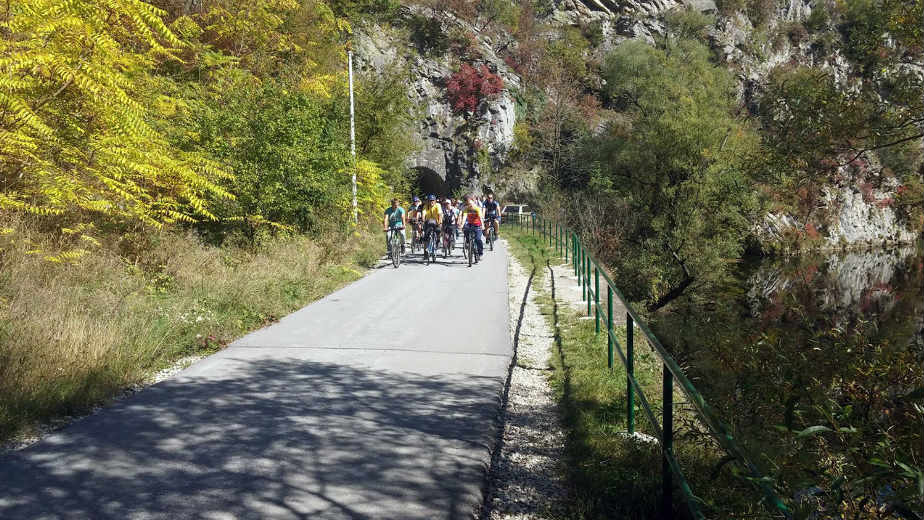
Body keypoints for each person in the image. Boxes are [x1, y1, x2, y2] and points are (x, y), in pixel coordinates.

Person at [457, 195, 484, 260]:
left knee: (478, 239)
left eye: (470, 203)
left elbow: (480, 217)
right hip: (470, 224)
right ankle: (468, 242)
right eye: (468, 204)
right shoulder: (466, 209)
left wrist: (482, 225)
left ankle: (480, 253)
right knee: (465, 230)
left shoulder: (477, 208)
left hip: (477, 225)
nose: (470, 205)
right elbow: (464, 217)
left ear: (473, 202)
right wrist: (462, 225)